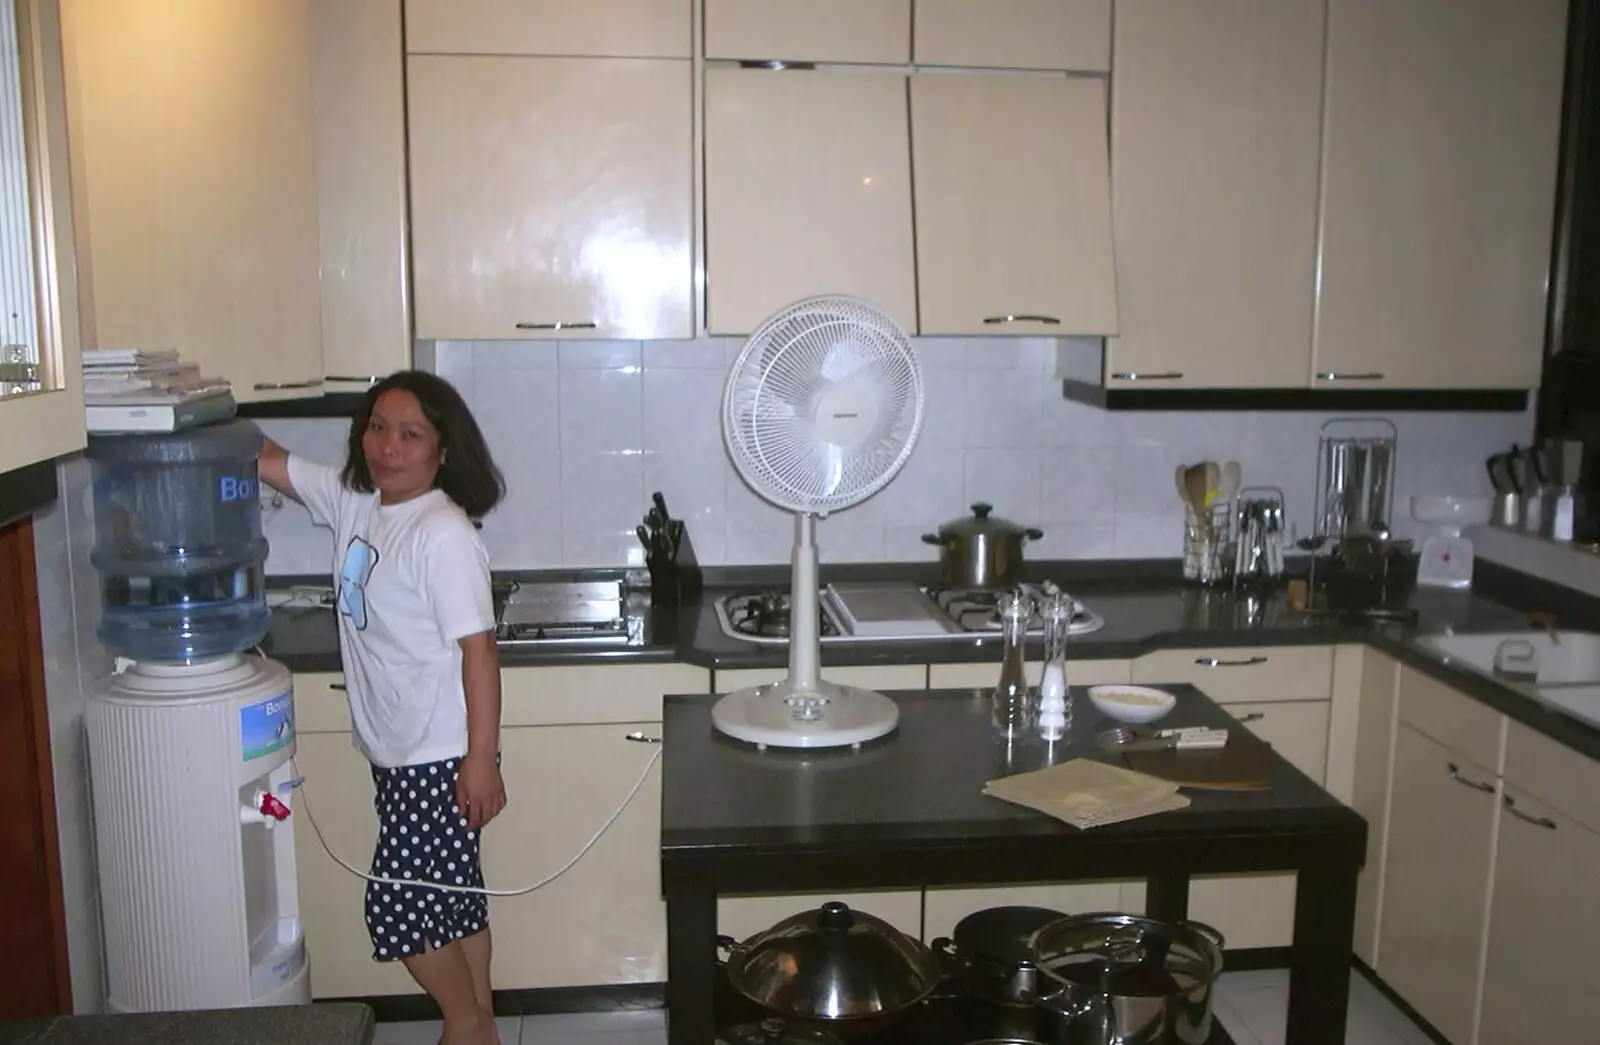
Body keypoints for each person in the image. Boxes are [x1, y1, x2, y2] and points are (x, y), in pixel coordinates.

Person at [257, 371, 508, 1045]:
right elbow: (269, 461)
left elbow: (479, 653)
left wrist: (480, 761)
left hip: (440, 753)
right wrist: (194, 412)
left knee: (397, 907)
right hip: (399, 751)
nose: (387, 446)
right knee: (453, 901)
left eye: (410, 433)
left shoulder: (442, 533)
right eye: (376, 427)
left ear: (442, 449)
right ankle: (478, 1017)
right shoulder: (357, 502)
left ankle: (466, 1025)